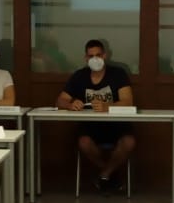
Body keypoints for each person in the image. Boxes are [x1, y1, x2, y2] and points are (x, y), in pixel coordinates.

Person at [57, 39, 135, 194]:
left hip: (117, 124)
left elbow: (128, 102)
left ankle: (104, 174)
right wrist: (70, 104)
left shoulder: (118, 74)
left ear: (104, 56)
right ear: (85, 58)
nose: (95, 59)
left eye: (98, 55)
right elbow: (60, 101)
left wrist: (108, 107)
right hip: (91, 125)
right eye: (91, 56)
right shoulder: (79, 76)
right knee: (84, 143)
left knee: (129, 142)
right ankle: (109, 173)